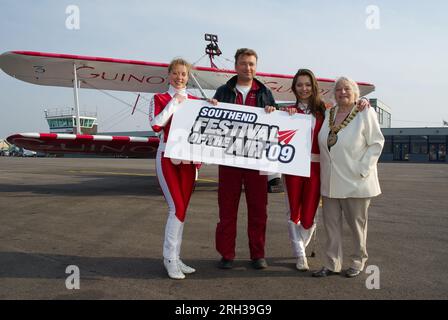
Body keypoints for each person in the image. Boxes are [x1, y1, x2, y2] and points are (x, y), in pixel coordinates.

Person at [313, 76, 384, 278]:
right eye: (338, 90)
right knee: (331, 226)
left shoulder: (364, 112)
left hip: (356, 181)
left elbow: (376, 143)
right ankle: (331, 263)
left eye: (347, 89)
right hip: (330, 181)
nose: (342, 92)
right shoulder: (329, 112)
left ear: (356, 93)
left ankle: (358, 261)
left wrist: (363, 169)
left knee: (357, 227)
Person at [213, 48, 276, 270]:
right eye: (243, 63)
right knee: (227, 209)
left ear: (255, 66)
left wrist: (272, 110)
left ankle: (257, 254)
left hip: (257, 160)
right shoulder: (222, 91)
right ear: (235, 65)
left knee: (259, 210)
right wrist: (210, 107)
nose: (247, 67)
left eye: (251, 64)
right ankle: (227, 254)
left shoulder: (265, 92)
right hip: (229, 159)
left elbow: (275, 125)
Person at [149, 58, 199, 280]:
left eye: (184, 74)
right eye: (176, 73)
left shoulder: (196, 101)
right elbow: (156, 125)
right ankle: (169, 259)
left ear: (188, 77)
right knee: (176, 208)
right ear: (169, 74)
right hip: (167, 157)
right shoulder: (159, 98)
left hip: (188, 161)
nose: (180, 78)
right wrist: (174, 103)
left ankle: (176, 257)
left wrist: (213, 106)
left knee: (182, 211)